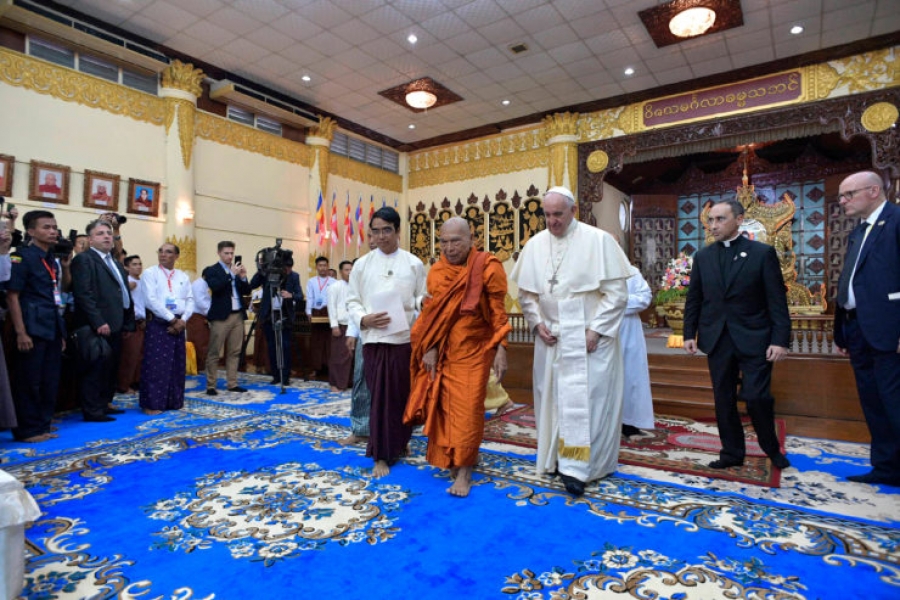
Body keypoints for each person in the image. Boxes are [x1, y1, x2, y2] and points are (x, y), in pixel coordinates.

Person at [510, 186, 631, 496]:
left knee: (589, 402)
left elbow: (617, 295)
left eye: (558, 215)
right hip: (551, 339)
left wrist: (596, 331)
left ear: (573, 211)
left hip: (591, 339)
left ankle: (581, 469)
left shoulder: (599, 240)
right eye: (547, 215)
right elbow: (527, 295)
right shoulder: (535, 245)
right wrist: (537, 323)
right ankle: (553, 459)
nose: (552, 222)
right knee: (550, 399)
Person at [683, 197, 792, 471]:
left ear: (739, 220)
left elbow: (777, 301)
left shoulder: (761, 253)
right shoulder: (703, 256)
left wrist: (780, 340)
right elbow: (694, 298)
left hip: (756, 338)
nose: (713, 225)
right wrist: (688, 333)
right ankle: (732, 452)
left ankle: (771, 449)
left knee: (757, 397)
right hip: (717, 339)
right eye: (710, 220)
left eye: (720, 219)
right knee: (723, 399)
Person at [405, 217, 510, 497]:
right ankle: (453, 456)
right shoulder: (437, 272)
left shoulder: (488, 267)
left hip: (476, 350)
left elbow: (499, 313)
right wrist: (430, 347)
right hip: (445, 352)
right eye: (444, 241)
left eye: (456, 241)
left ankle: (465, 470)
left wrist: (501, 349)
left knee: (468, 411)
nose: (449, 247)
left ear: (470, 239)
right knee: (444, 409)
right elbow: (432, 317)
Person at [347, 206, 426, 478]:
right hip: (373, 340)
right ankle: (380, 454)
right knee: (378, 397)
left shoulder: (414, 263)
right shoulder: (362, 264)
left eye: (387, 230)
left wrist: (420, 304)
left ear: (397, 231)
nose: (381, 237)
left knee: (400, 396)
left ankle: (400, 442)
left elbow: (419, 297)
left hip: (403, 340)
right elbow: (352, 300)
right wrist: (363, 319)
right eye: (376, 231)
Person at [833, 171, 900, 486]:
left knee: (894, 401)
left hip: (889, 330)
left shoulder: (897, 221)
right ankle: (886, 467)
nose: (843, 201)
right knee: (873, 402)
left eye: (848, 195)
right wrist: (841, 331)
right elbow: (851, 282)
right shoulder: (857, 233)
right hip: (858, 328)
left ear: (873, 191)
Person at [7, 212, 69, 440]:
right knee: (29, 380)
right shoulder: (21, 257)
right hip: (32, 327)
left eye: (54, 227)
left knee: (49, 379)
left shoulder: (51, 259)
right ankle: (27, 429)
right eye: (46, 227)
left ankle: (42, 423)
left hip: (52, 326)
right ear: (31, 232)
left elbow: (55, 297)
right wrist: (21, 332)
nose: (53, 231)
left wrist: (60, 333)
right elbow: (13, 296)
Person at [71, 219, 133, 422]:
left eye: (109, 233)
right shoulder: (84, 259)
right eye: (100, 233)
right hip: (96, 325)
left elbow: (122, 292)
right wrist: (98, 322)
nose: (107, 236)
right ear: (90, 239)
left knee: (111, 367)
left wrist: (127, 320)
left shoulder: (114, 261)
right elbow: (84, 294)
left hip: (116, 322)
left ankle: (105, 403)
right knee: (95, 368)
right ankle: (92, 410)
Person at [139, 243, 194, 415]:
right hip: (160, 323)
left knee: (176, 365)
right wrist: (171, 320)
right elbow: (151, 300)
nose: (163, 254)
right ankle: (153, 404)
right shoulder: (150, 273)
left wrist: (182, 321)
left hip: (179, 323)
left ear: (177, 256)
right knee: (156, 365)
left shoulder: (182, 276)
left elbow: (190, 300)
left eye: (168, 252)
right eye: (161, 251)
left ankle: (173, 401)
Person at [202, 241, 250, 394]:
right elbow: (216, 287)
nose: (230, 256)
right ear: (219, 253)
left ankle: (232, 383)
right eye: (226, 253)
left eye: (231, 253)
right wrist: (231, 275)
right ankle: (211, 385)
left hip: (237, 315)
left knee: (235, 351)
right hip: (220, 317)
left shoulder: (235, 271)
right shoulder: (212, 270)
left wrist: (243, 278)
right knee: (214, 351)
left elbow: (246, 291)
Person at [249, 255, 302, 386]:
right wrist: (261, 269)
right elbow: (252, 284)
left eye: (290, 269)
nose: (288, 271)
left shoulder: (294, 276)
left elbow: (300, 295)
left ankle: (285, 376)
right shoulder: (267, 274)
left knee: (285, 346)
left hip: (285, 316)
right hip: (268, 316)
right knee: (272, 347)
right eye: (286, 269)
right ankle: (275, 376)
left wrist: (291, 295)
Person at [620, 265, 655, 437]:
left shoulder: (630, 271)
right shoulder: (590, 268)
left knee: (631, 376)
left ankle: (630, 422)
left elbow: (645, 297)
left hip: (628, 328)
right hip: (598, 331)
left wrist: (617, 302)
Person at [116, 255, 144, 394]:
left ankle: (136, 382)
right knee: (129, 355)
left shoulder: (144, 281)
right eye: (134, 264)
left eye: (139, 264)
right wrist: (126, 288)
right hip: (131, 322)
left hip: (144, 322)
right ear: (126, 267)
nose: (138, 266)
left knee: (140, 355)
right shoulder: (125, 282)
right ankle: (123, 385)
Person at [305, 256, 334, 379]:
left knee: (329, 342)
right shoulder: (311, 281)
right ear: (316, 267)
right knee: (316, 342)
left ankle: (330, 368)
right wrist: (308, 311)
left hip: (329, 312)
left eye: (325, 265)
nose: (322, 268)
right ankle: (316, 368)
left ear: (328, 267)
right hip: (316, 313)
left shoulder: (334, 282)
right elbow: (310, 297)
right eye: (320, 265)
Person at [327, 260, 353, 392]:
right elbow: (331, 307)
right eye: (346, 270)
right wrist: (334, 326)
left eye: (351, 269)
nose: (349, 272)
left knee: (351, 356)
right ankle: (335, 383)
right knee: (338, 356)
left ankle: (348, 382)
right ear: (341, 272)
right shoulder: (334, 287)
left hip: (354, 326)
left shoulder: (357, 286)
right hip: (340, 326)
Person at [187, 276, 211, 370]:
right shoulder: (199, 284)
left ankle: (202, 367)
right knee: (199, 344)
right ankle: (198, 368)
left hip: (202, 316)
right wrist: (213, 313)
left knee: (204, 343)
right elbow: (201, 302)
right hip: (196, 317)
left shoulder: (204, 284)